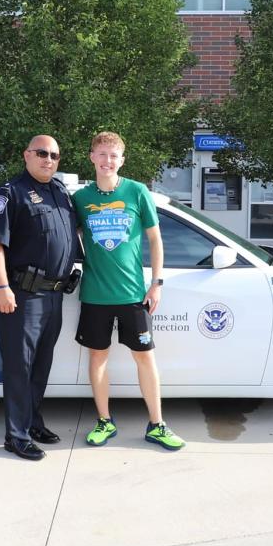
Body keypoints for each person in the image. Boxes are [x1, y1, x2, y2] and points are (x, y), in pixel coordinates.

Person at [73, 131, 185, 451]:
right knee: (98, 358)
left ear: (122, 160)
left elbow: (155, 240)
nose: (108, 160)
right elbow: (69, 236)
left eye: (114, 155)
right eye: (102, 154)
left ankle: (157, 425)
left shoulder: (137, 192)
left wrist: (157, 283)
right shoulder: (81, 199)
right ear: (92, 157)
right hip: (95, 294)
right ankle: (105, 421)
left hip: (134, 294)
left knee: (146, 359)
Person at [0, 135, 77, 461]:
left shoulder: (61, 193)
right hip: (21, 294)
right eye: (41, 153)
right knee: (19, 367)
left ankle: (33, 422)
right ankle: (16, 435)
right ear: (27, 155)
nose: (48, 159)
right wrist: (1, 287)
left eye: (54, 155)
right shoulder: (11, 193)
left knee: (41, 365)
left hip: (53, 296)